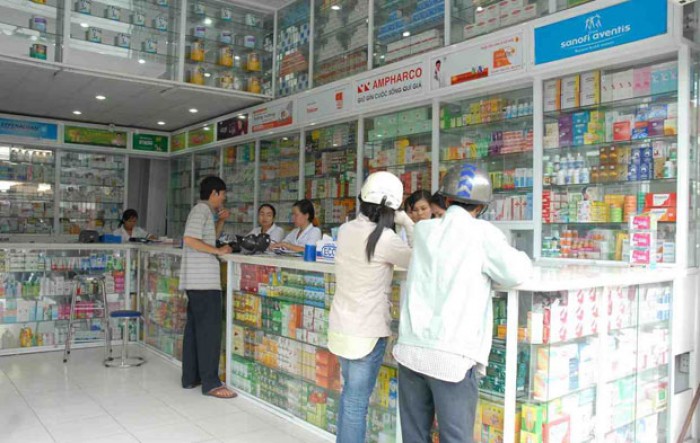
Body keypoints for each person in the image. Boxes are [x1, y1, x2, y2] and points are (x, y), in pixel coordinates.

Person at [394, 164, 532, 443]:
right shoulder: (483, 234)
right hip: (452, 359)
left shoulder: (424, 231)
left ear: (445, 200)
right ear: (481, 207)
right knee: (455, 437)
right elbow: (516, 272)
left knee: (413, 436)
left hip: (410, 351)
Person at [329, 171, 414, 443]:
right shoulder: (385, 239)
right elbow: (419, 259)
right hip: (366, 332)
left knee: (349, 398)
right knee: (356, 404)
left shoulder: (346, 230)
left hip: (341, 327)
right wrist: (407, 223)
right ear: (392, 209)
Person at [180, 176, 237, 399]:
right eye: (223, 195)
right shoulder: (201, 210)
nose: (224, 199)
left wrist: (220, 222)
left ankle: (191, 377)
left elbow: (206, 239)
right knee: (209, 332)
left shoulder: (205, 212)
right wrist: (218, 251)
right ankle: (211, 383)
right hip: (203, 282)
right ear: (214, 193)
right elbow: (190, 239)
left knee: (195, 331)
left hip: (197, 282)